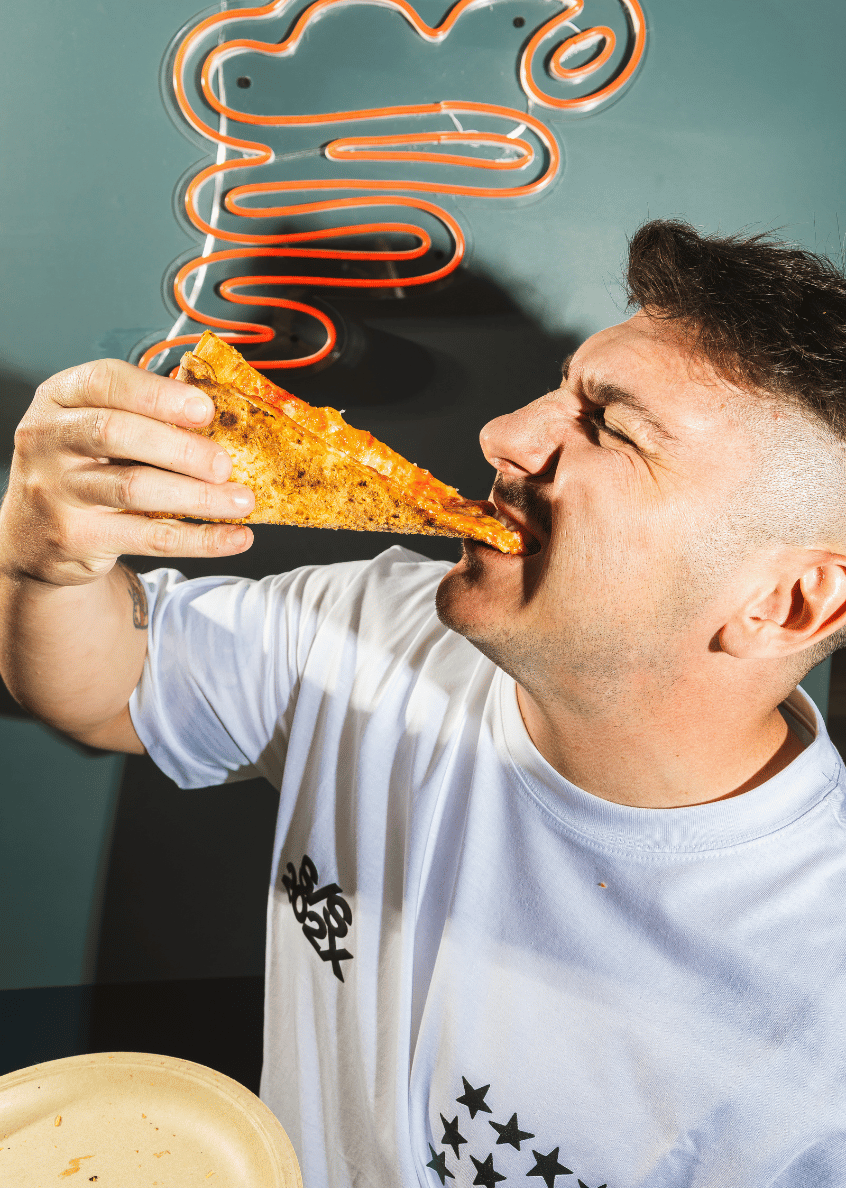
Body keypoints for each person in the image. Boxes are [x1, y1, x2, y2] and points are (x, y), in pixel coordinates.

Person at [2, 219, 846, 1186]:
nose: (504, 433)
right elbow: (112, 689)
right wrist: (42, 563)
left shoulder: (821, 1019)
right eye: (563, 389)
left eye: (612, 427)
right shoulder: (380, 623)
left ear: (788, 603)